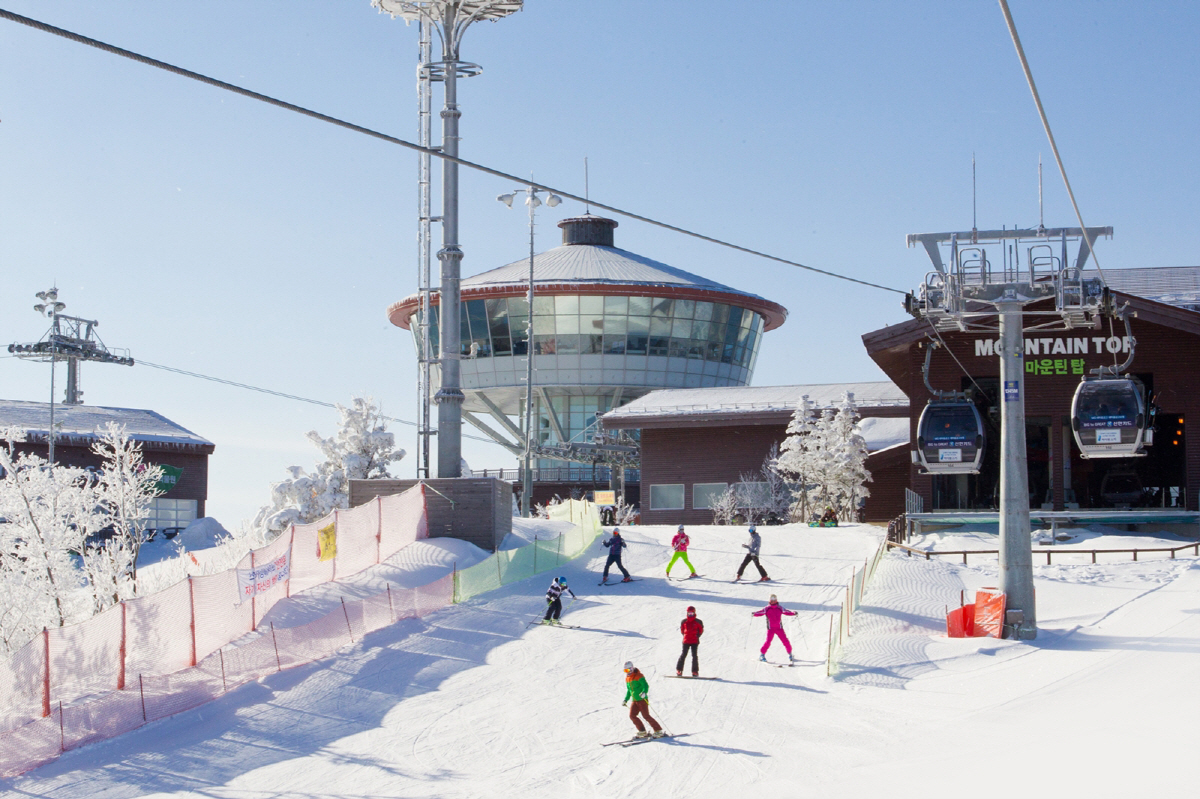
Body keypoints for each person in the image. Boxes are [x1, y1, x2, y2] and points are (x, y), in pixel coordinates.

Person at [622, 661, 664, 738]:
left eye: (627, 670)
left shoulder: (639, 676)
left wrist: (644, 692)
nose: (626, 672)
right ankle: (642, 731)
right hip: (634, 700)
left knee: (646, 716)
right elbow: (629, 690)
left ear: (631, 668)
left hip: (642, 700)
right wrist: (625, 699)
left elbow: (645, 686)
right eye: (625, 671)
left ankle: (658, 730)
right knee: (632, 715)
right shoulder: (627, 678)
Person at [752, 594, 797, 662]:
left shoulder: (779, 608)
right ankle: (762, 655)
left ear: (776, 600)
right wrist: (754, 614)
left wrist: (793, 613)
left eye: (774, 600)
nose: (773, 601)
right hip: (771, 629)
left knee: (785, 641)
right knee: (768, 642)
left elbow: (786, 612)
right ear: (769, 600)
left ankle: (790, 654)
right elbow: (761, 612)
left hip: (779, 628)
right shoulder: (767, 608)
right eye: (772, 600)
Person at [677, 605, 704, 676]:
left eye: (691, 613)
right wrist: (686, 636)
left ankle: (695, 671)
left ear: (694, 613)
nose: (690, 615)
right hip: (686, 641)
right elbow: (682, 631)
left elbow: (701, 630)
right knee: (683, 655)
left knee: (694, 656)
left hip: (694, 641)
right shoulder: (684, 621)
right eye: (689, 613)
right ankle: (679, 669)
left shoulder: (698, 622)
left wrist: (696, 636)